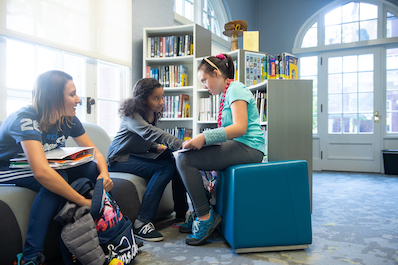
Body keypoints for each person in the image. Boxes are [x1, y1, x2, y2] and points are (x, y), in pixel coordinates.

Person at [0, 70, 113, 265]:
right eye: (72, 95)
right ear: (53, 98)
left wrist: (104, 174)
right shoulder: (25, 119)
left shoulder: (67, 118)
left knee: (91, 170)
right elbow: (42, 172)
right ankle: (30, 257)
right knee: (55, 181)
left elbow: (96, 154)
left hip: (42, 165)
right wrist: (81, 200)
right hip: (7, 170)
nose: (78, 99)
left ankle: (109, 234)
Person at [175, 53, 265, 246]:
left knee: (185, 160)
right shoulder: (228, 92)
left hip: (249, 148)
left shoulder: (236, 88)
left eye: (204, 80)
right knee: (185, 157)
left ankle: (205, 216)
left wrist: (205, 137)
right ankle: (203, 209)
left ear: (216, 74)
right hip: (241, 146)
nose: (204, 86)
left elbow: (240, 128)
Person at [107, 78, 188, 242]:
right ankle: (142, 223)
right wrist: (182, 143)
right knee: (164, 168)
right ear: (142, 100)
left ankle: (181, 212)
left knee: (173, 157)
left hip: (134, 154)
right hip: (118, 159)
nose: (161, 102)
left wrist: (154, 148)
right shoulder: (132, 115)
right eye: (156, 98)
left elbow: (139, 141)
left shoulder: (151, 113)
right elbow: (150, 133)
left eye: (162, 97)